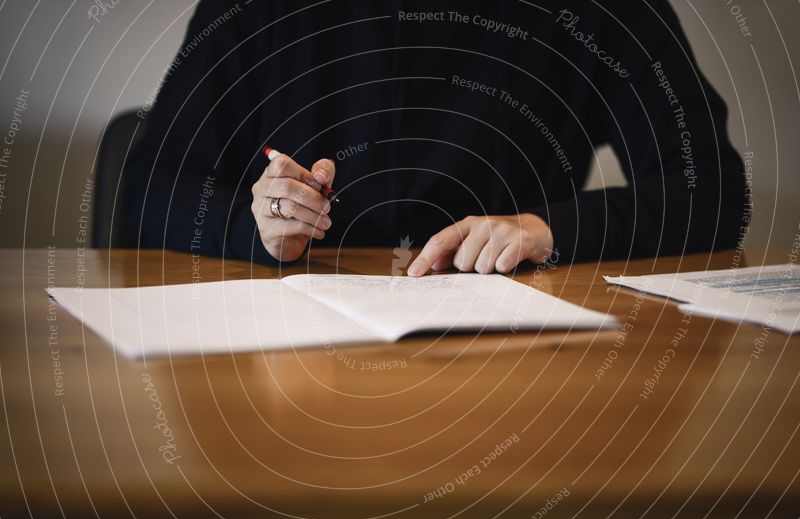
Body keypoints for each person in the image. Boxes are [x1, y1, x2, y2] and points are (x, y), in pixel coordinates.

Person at [124, 0, 746, 276]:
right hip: (283, 361)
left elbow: (712, 191)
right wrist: (253, 226)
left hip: (521, 368)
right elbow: (151, 185)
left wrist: (546, 229)